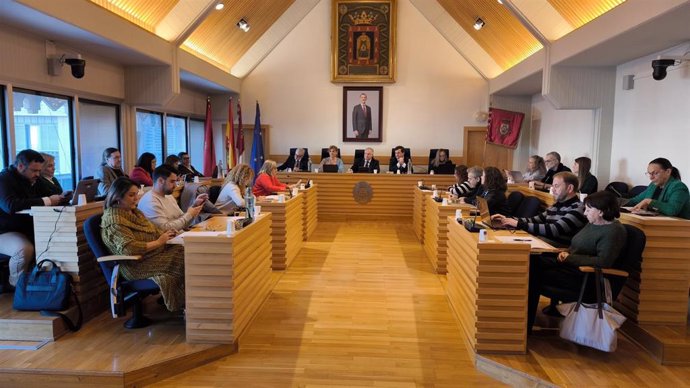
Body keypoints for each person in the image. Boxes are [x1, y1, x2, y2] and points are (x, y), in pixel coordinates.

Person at [526, 191, 627, 333]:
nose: (584, 213)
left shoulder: (614, 231)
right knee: (531, 261)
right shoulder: (593, 224)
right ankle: (520, 319)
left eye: (588, 209)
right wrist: (567, 252)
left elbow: (603, 262)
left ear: (601, 211)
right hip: (570, 267)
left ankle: (525, 326)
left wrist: (570, 257)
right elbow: (577, 246)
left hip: (585, 278)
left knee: (532, 273)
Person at [100, 177, 185, 312]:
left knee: (186, 251)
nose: (136, 198)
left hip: (153, 256)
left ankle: (193, 301)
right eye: (131, 195)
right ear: (118, 197)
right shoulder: (113, 221)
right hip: (137, 265)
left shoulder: (135, 212)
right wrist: (159, 241)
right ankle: (192, 304)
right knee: (185, 258)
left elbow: (153, 230)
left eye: (136, 194)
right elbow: (129, 249)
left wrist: (167, 233)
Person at [0, 149, 67, 288]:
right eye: (34, 170)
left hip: (26, 228)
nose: (37, 174)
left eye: (39, 170)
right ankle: (17, 287)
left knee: (56, 241)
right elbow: (10, 206)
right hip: (5, 231)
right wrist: (48, 200)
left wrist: (62, 198)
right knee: (24, 249)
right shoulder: (4, 179)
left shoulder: (34, 179)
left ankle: (50, 287)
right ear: (20, 166)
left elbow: (51, 195)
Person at [492, 172, 587, 247]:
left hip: (555, 252)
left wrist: (518, 224)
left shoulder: (578, 208)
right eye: (552, 186)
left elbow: (554, 229)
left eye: (556, 186)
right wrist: (507, 219)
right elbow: (535, 219)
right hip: (542, 243)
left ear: (570, 188)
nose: (553, 189)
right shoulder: (556, 205)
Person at [137, 165, 207, 231]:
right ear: (160, 181)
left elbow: (183, 222)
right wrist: (189, 214)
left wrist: (194, 206)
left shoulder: (168, 196)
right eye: (172, 181)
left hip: (177, 237)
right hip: (166, 242)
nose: (175, 186)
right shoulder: (150, 202)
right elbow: (165, 229)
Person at [626, 157, 690, 219]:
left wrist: (650, 202)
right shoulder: (653, 185)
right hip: (658, 222)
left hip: (680, 226)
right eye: (649, 174)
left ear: (668, 172)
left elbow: (672, 210)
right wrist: (617, 202)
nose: (651, 178)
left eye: (655, 173)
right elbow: (635, 201)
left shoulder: (678, 187)